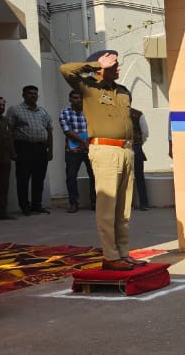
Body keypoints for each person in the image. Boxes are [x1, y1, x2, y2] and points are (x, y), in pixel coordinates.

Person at [61, 50, 142, 271]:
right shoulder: (89, 88)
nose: (118, 68)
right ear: (101, 68)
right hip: (105, 150)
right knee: (107, 207)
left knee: (123, 209)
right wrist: (96, 65)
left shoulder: (123, 91)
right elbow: (65, 70)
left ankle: (123, 253)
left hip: (126, 150)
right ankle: (110, 256)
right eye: (114, 65)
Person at [6, 84, 53, 215]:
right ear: (23, 95)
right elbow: (9, 131)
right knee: (23, 178)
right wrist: (12, 151)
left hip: (41, 148)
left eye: (35, 93)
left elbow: (49, 131)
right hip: (23, 148)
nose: (33, 95)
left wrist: (50, 151)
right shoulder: (15, 110)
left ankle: (36, 205)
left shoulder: (43, 111)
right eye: (30, 93)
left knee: (39, 178)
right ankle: (24, 207)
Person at [59, 89, 95, 213]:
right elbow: (67, 131)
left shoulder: (90, 113)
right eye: (75, 98)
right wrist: (83, 141)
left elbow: (95, 128)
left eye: (80, 98)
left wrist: (88, 142)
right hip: (73, 150)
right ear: (70, 99)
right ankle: (73, 203)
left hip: (90, 149)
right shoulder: (65, 113)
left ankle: (94, 202)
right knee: (71, 176)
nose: (78, 100)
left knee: (94, 175)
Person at [130, 99, 151, 211]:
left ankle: (127, 204)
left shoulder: (115, 115)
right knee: (139, 176)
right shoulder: (138, 114)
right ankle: (144, 203)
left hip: (121, 147)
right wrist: (139, 143)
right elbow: (145, 133)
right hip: (136, 146)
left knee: (124, 178)